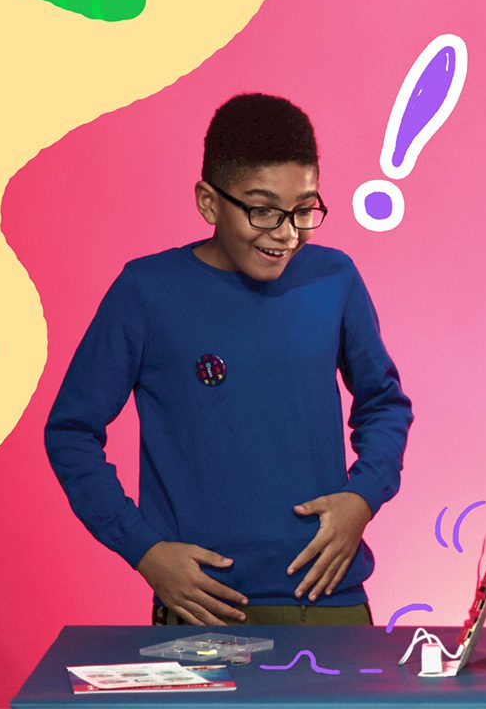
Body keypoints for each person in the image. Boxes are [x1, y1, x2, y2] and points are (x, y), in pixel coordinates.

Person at [45, 93, 412, 626]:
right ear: (209, 202)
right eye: (263, 210)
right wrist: (145, 551)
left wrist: (363, 497)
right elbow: (71, 430)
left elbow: (384, 403)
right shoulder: (147, 292)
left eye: (305, 208)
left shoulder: (334, 278)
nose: (286, 233)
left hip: (331, 601)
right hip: (205, 610)